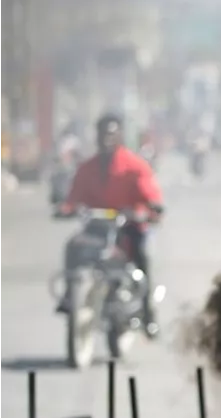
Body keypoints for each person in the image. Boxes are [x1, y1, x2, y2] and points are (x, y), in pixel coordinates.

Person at [59, 112, 164, 337]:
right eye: (102, 134)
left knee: (142, 257)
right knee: (73, 247)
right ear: (96, 137)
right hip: (97, 228)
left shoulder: (135, 166)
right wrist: (66, 209)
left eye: (111, 134)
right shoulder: (87, 168)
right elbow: (73, 198)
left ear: (120, 136)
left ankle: (148, 314)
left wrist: (150, 209)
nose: (107, 139)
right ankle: (70, 297)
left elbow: (150, 195)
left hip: (128, 228)